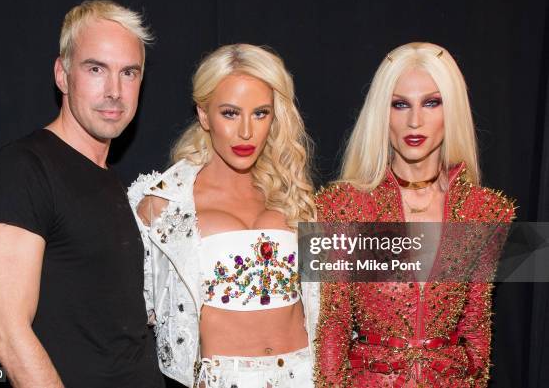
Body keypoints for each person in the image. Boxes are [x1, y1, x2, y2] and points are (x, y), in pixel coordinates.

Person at [0, 0, 164, 388]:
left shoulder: (109, 179)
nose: (114, 91)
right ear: (62, 75)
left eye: (129, 73)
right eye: (96, 69)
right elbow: (5, 332)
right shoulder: (23, 168)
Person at [314, 42, 515, 387]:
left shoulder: (485, 211)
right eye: (400, 104)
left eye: (432, 102)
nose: (415, 121)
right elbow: (331, 329)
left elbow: (476, 334)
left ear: (452, 110)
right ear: (382, 112)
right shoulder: (340, 206)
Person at [128, 44, 317, 387]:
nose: (246, 131)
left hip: (304, 375)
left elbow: (343, 305)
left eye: (260, 113)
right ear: (204, 114)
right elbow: (130, 319)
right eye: (230, 113)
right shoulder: (164, 206)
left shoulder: (293, 196)